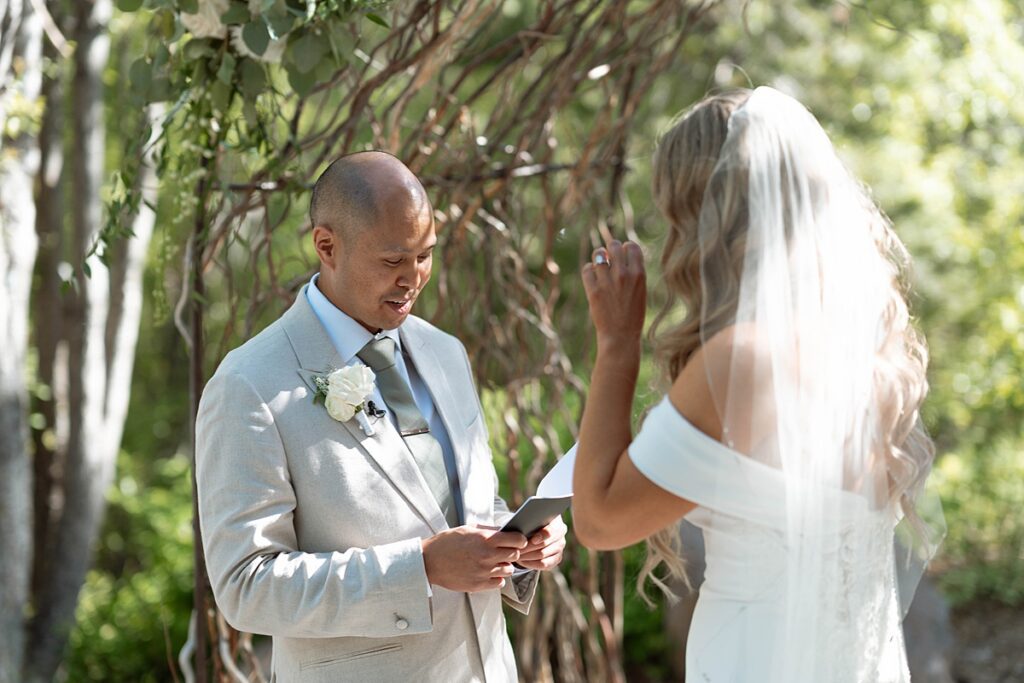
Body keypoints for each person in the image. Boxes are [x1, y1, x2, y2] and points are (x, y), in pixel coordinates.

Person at [570, 87, 940, 682]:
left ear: (703, 218)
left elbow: (599, 521)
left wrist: (616, 345)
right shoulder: (869, 357)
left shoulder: (741, 360)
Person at [196, 151, 566, 682]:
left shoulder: (445, 352)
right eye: (393, 261)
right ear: (327, 246)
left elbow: (455, 508)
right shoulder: (250, 384)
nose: (413, 279)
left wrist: (519, 543)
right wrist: (421, 567)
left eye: (426, 256)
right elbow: (246, 586)